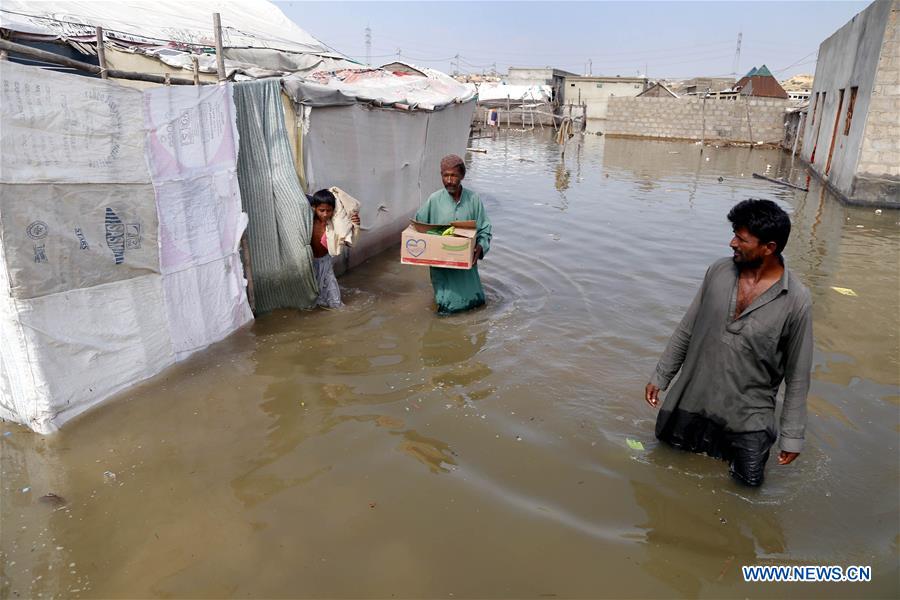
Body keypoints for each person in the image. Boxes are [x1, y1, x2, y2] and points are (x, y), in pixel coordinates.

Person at [644, 199, 813, 486]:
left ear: (769, 247)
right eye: (734, 234)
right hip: (692, 400)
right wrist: (661, 375)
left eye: (742, 239)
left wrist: (792, 436)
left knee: (746, 491)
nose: (732, 243)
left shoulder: (796, 300)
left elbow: (798, 375)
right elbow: (687, 327)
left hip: (748, 419)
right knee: (663, 474)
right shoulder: (718, 272)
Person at [415, 154, 492, 314]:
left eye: (454, 176)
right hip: (442, 266)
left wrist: (480, 246)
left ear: (462, 176)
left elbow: (485, 229)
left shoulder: (473, 200)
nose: (449, 180)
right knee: (447, 307)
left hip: (467, 264)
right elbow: (418, 226)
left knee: (476, 303)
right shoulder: (434, 200)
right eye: (445, 175)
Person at [309, 189, 360, 309]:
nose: (325, 214)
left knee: (334, 300)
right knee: (312, 298)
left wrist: (355, 226)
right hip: (310, 263)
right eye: (321, 210)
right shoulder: (309, 222)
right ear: (314, 208)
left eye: (329, 211)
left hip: (325, 263)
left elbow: (348, 242)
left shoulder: (334, 224)